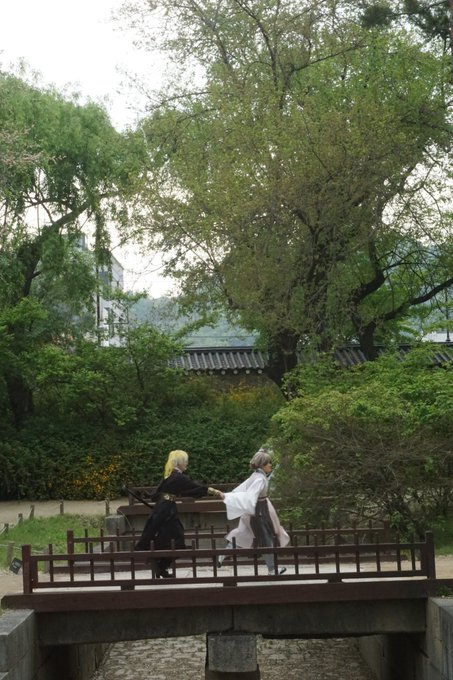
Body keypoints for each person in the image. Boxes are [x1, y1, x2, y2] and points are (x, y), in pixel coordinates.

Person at [134, 449, 224, 577]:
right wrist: (215, 492)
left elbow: (182, 490)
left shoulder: (171, 475)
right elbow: (193, 486)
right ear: (179, 463)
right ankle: (160, 564)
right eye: (185, 461)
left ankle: (160, 565)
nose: (186, 463)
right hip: (166, 510)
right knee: (176, 538)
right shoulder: (178, 477)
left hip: (165, 508)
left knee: (169, 537)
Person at [220, 446, 289, 575]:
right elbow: (251, 494)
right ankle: (272, 569)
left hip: (257, 510)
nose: (270, 465)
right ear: (262, 465)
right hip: (260, 512)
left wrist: (229, 496)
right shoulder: (259, 478)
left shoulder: (255, 476)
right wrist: (249, 506)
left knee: (245, 533)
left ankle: (223, 554)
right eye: (268, 463)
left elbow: (242, 489)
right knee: (266, 539)